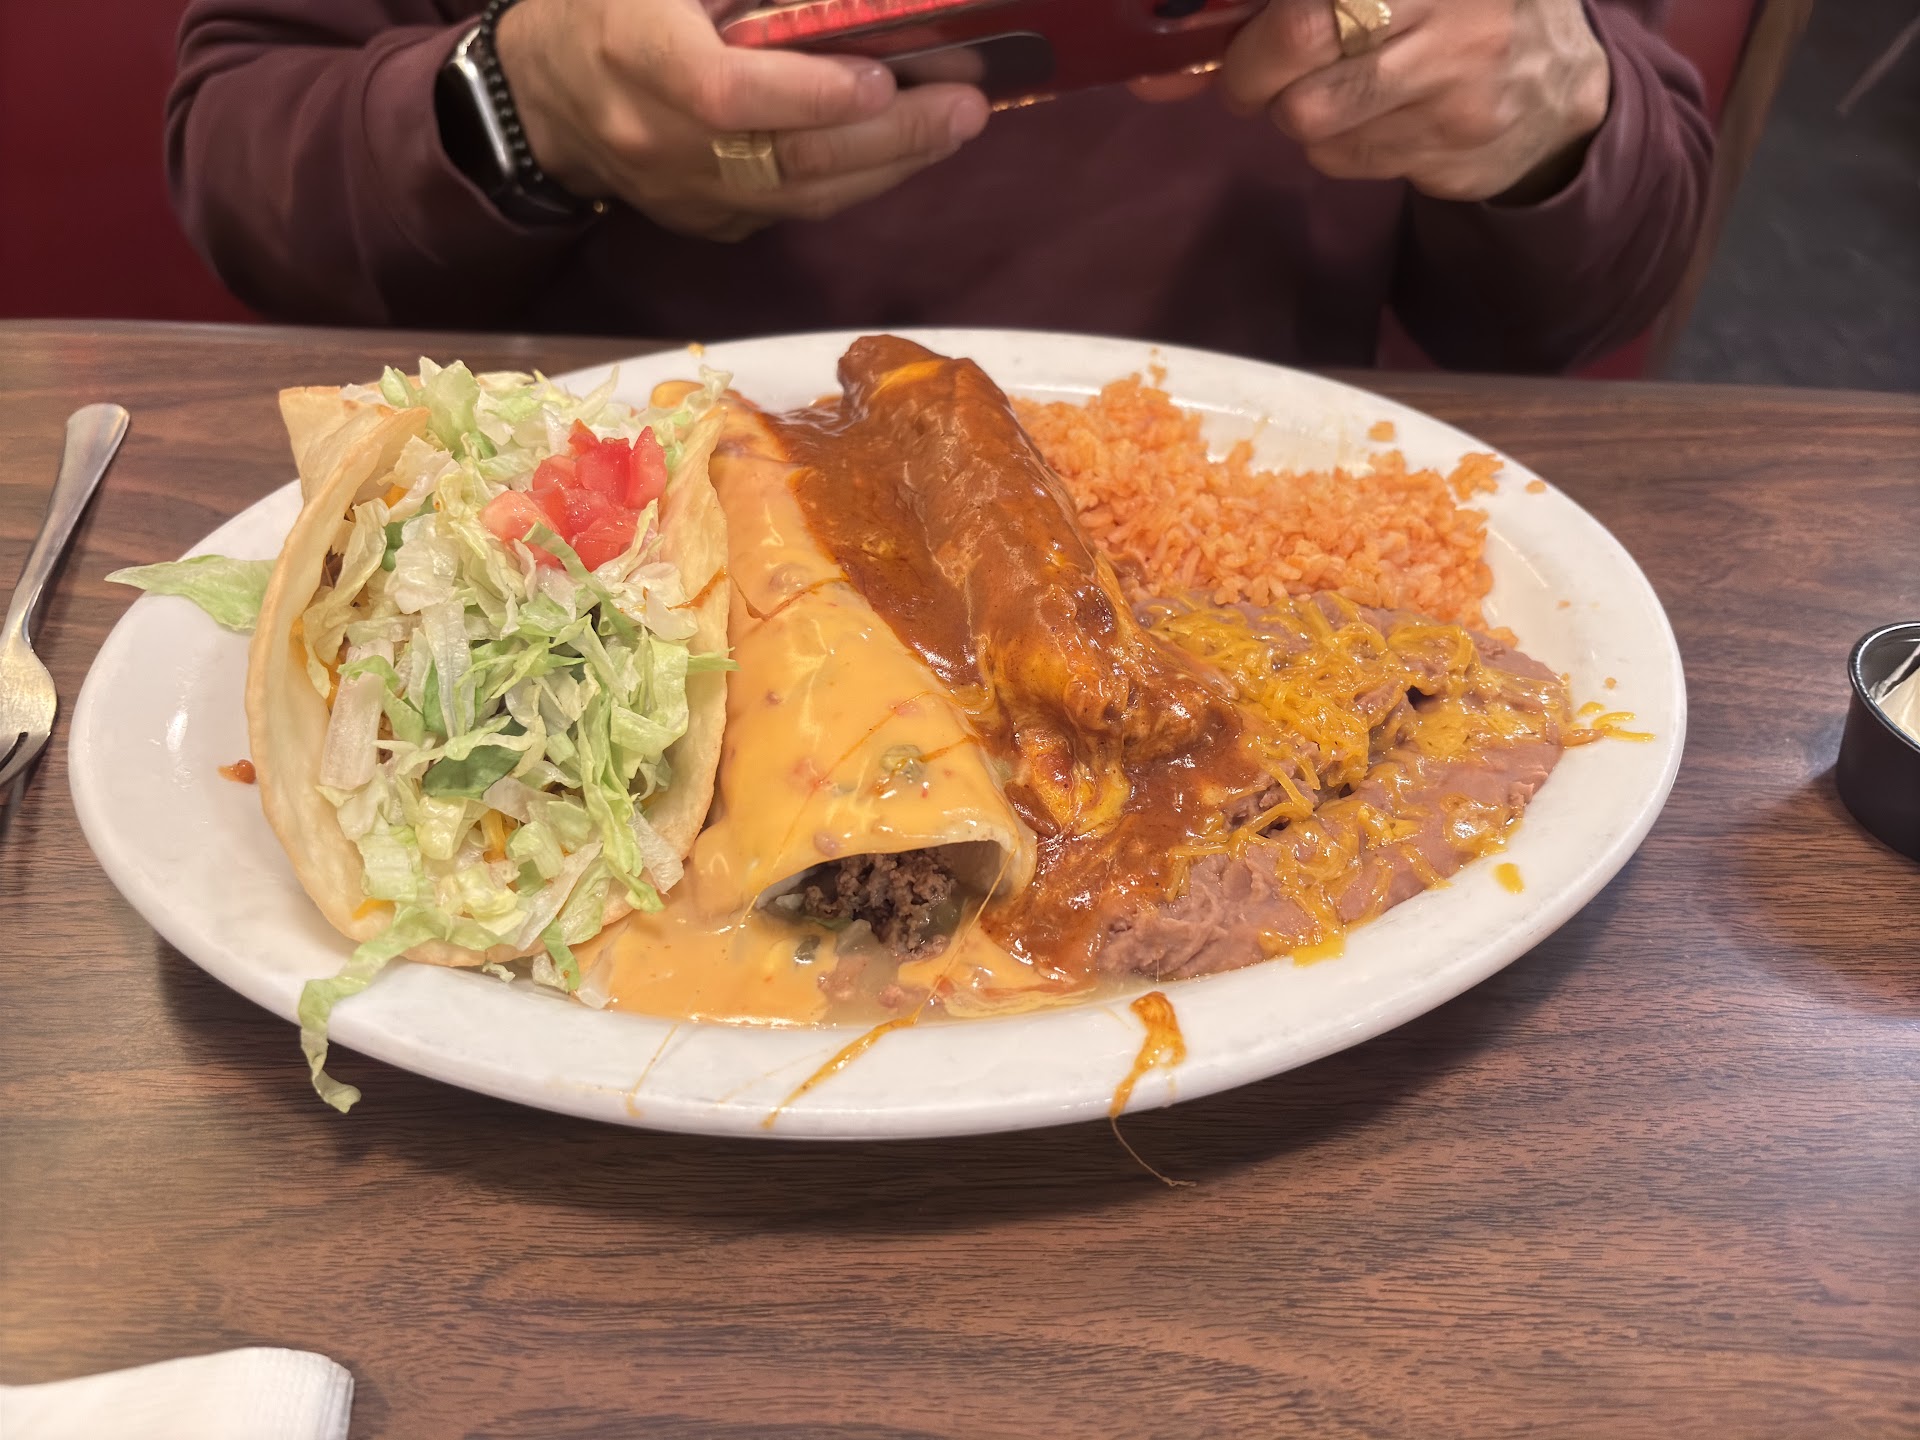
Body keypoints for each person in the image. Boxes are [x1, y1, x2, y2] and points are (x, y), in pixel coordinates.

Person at [167, 0, 1712, 372]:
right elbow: (249, 148)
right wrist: (521, 103)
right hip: (634, 531)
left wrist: (1547, 107)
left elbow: (1591, 285)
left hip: (1249, 534)